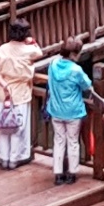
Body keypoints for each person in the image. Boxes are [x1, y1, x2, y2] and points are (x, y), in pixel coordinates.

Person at [0, 22, 40, 169]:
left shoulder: (3, 49)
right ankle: (14, 158)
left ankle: (4, 158)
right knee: (18, 126)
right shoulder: (28, 50)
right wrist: (32, 41)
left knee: (3, 126)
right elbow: (39, 52)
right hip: (20, 91)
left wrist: (3, 83)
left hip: (3, 92)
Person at [42, 41, 94, 182]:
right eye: (78, 53)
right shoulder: (75, 70)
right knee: (72, 142)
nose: (79, 55)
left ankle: (58, 174)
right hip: (73, 111)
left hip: (56, 110)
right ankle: (72, 173)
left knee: (59, 141)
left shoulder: (53, 65)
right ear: (72, 54)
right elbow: (86, 85)